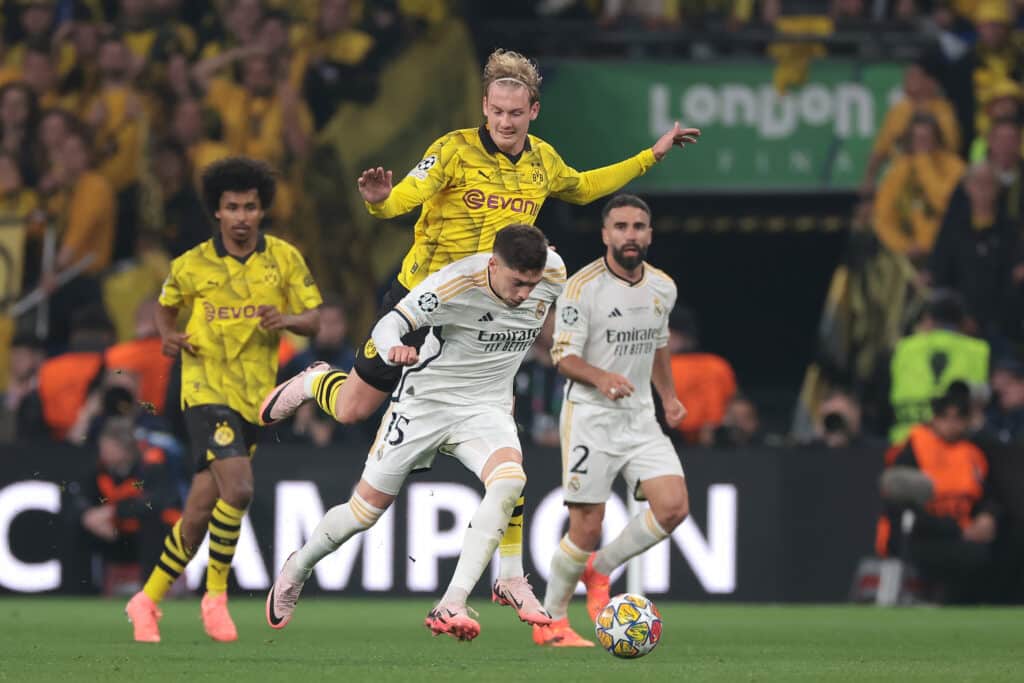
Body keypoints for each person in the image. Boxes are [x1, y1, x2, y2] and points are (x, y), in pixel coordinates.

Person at [260, 47, 699, 602]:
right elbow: (407, 195)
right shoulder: (452, 151)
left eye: (516, 113)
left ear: (533, 110)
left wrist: (651, 155)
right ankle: (311, 380)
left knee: (505, 445)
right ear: (484, 107)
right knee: (353, 409)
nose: (505, 122)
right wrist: (380, 202)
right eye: (496, 111)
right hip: (424, 299)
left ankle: (511, 576)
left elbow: (585, 187)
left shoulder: (542, 162)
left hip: (488, 311)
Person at [265, 224, 564, 641]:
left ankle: (457, 600)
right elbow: (389, 324)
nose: (524, 295)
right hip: (425, 405)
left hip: (485, 408)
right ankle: (299, 566)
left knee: (511, 479)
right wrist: (392, 348)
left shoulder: (552, 272)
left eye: (532, 285)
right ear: (494, 265)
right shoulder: (453, 283)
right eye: (517, 283)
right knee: (362, 514)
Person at [124, 157, 323, 644]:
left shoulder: (284, 258)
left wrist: (287, 321)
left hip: (256, 398)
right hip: (204, 391)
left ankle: (146, 600)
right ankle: (215, 597)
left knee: (196, 514)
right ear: (217, 212)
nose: (240, 216)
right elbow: (165, 312)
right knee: (238, 489)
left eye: (249, 207)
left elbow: (314, 318)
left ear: (261, 211)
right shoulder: (190, 265)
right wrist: (169, 337)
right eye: (231, 207)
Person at [535, 194, 688, 647]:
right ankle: (552, 623)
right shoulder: (582, 288)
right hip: (591, 416)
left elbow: (658, 345)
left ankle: (600, 568)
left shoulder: (663, 287)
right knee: (586, 526)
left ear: (649, 235)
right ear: (605, 234)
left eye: (639, 226)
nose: (630, 234)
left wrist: (670, 397)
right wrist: (601, 378)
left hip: (639, 415)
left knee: (673, 507)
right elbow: (562, 356)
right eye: (620, 226)